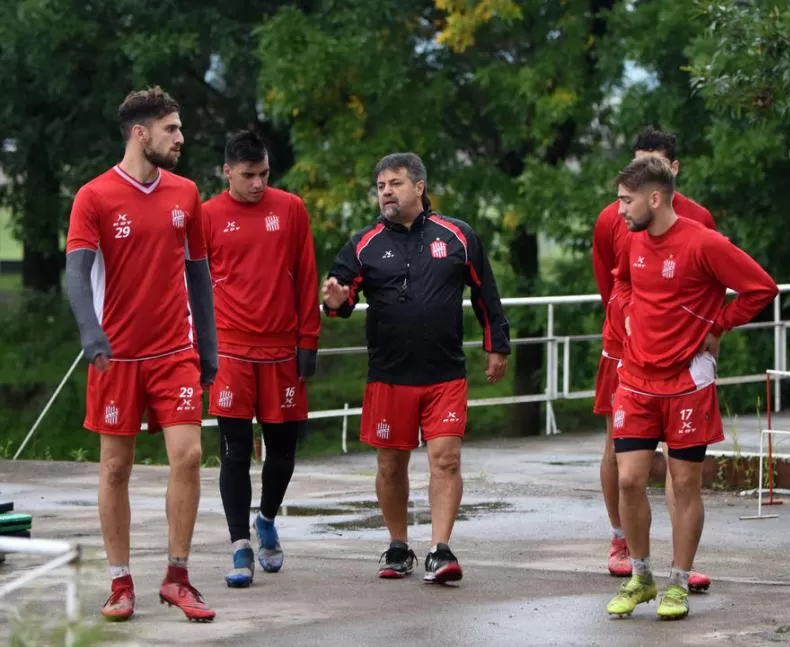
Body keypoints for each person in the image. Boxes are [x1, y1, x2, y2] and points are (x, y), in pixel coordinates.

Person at [64, 87, 218, 622]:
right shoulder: (95, 196)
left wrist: (211, 349)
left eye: (179, 128)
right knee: (115, 469)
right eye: (172, 129)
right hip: (117, 357)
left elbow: (200, 276)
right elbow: (77, 274)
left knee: (190, 456)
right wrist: (90, 330)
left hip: (176, 350)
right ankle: (120, 582)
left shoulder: (186, 193)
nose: (181, 138)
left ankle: (177, 577)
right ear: (141, 133)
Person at [321, 152, 510, 584]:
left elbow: (487, 294)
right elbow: (342, 298)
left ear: (419, 188)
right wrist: (334, 301)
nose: (386, 191)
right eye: (381, 185)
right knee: (391, 466)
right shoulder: (363, 243)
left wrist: (496, 345)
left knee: (445, 459)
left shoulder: (457, 235)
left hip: (445, 373)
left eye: (395, 183)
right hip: (389, 375)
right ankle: (398, 545)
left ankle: (440, 551)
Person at [606, 155, 778, 620]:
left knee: (684, 483)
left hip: (687, 382)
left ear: (655, 198)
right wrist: (624, 313)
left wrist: (719, 324)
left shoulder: (705, 243)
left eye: (626, 201)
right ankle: (641, 576)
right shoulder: (632, 237)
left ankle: (678, 582)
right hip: (637, 378)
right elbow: (621, 282)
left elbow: (762, 288)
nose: (619, 211)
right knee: (628, 478)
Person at [591, 126, 715, 592]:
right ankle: (621, 541)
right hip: (624, 352)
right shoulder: (612, 218)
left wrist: (711, 327)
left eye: (653, 164)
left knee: (680, 463)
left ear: (672, 172)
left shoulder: (699, 219)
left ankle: (678, 564)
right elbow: (611, 282)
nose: (641, 174)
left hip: (679, 359)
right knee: (621, 452)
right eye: (636, 161)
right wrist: (627, 322)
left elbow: (713, 278)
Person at [201, 130, 321, 588]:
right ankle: (239, 547)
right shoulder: (207, 215)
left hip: (281, 348)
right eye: (248, 175)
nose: (257, 183)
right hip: (229, 349)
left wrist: (308, 339)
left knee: (283, 454)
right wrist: (199, 350)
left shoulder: (289, 208)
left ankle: (267, 518)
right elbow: (192, 286)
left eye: (264, 174)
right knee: (234, 453)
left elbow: (306, 275)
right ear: (227, 171)